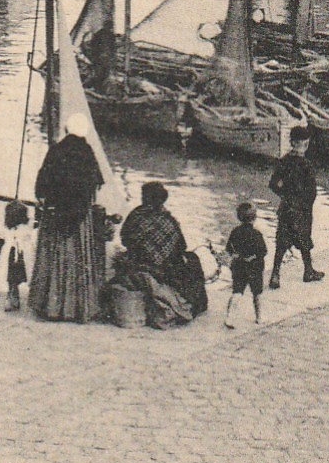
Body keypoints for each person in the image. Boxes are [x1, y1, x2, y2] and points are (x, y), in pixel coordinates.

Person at [28, 114, 106, 324]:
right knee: (77, 259)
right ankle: (76, 308)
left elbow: (41, 184)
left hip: (55, 213)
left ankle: (49, 305)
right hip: (79, 218)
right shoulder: (88, 153)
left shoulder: (56, 151)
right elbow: (95, 185)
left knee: (53, 257)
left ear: (65, 129)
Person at [115, 182, 207, 329]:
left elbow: (125, 239)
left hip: (139, 264)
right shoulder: (169, 219)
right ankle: (194, 303)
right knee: (192, 260)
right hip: (165, 269)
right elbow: (181, 246)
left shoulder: (137, 214)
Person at [268, 126, 324, 289]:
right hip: (302, 209)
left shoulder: (284, 161)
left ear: (291, 142)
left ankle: (275, 275)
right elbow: (312, 191)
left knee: (282, 242)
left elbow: (273, 184)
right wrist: (306, 204)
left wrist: (285, 195)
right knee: (304, 238)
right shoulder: (306, 164)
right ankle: (308, 270)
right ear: (306, 144)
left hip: (286, 207)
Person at [223, 202, 267, 329]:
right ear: (254, 217)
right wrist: (253, 257)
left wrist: (237, 255)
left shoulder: (235, 232)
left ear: (239, 217)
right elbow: (263, 251)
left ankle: (230, 317)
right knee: (257, 293)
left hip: (239, 266)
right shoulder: (257, 234)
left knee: (237, 291)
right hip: (254, 268)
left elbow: (229, 249)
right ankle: (259, 317)